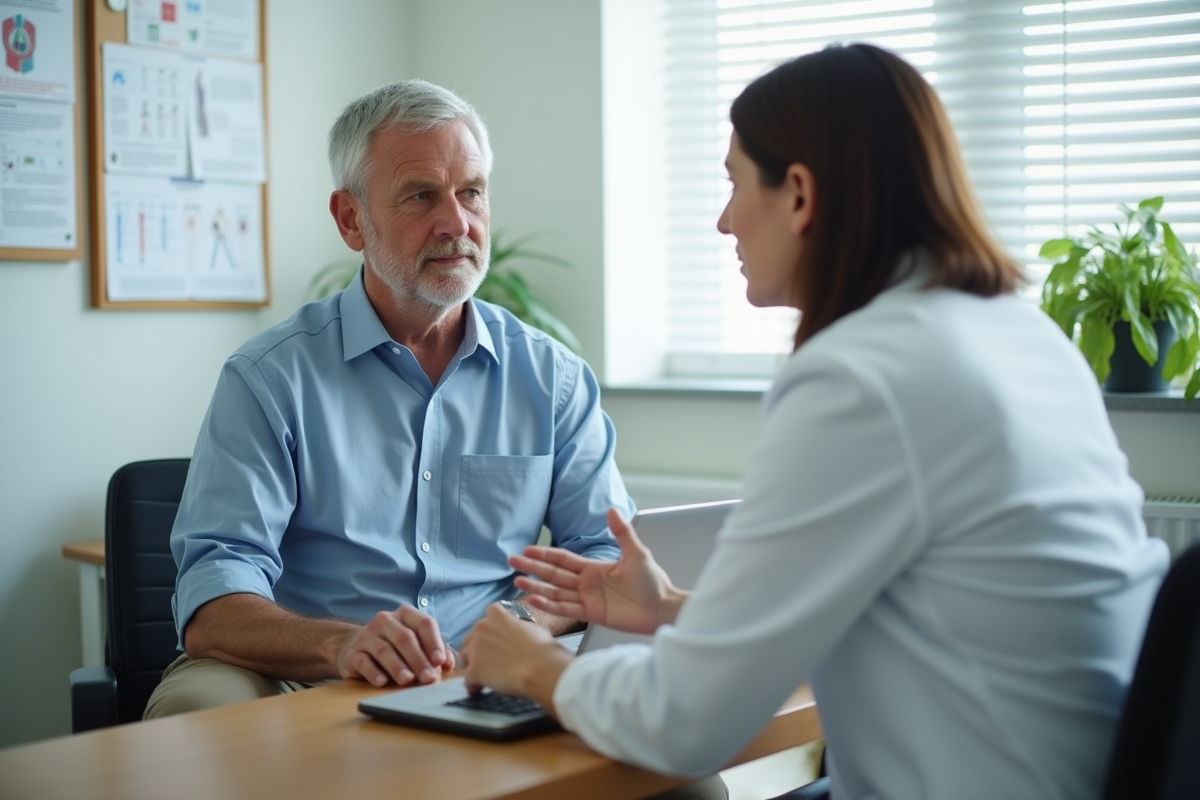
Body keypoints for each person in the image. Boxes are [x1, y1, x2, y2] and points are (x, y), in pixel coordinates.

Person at [459, 44, 1170, 800]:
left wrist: (536, 668)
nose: (725, 220)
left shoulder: (862, 379)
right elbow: (924, 615)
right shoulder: (1016, 335)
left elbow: (684, 723)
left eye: (734, 183)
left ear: (798, 194)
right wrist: (671, 610)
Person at [144, 79, 635, 716]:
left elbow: (605, 552)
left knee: (680, 777)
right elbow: (213, 599)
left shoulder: (552, 378)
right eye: (420, 196)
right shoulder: (268, 378)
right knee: (194, 714)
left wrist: (520, 622)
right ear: (352, 219)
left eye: (471, 193)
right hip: (311, 672)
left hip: (493, 669)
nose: (457, 223)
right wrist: (342, 646)